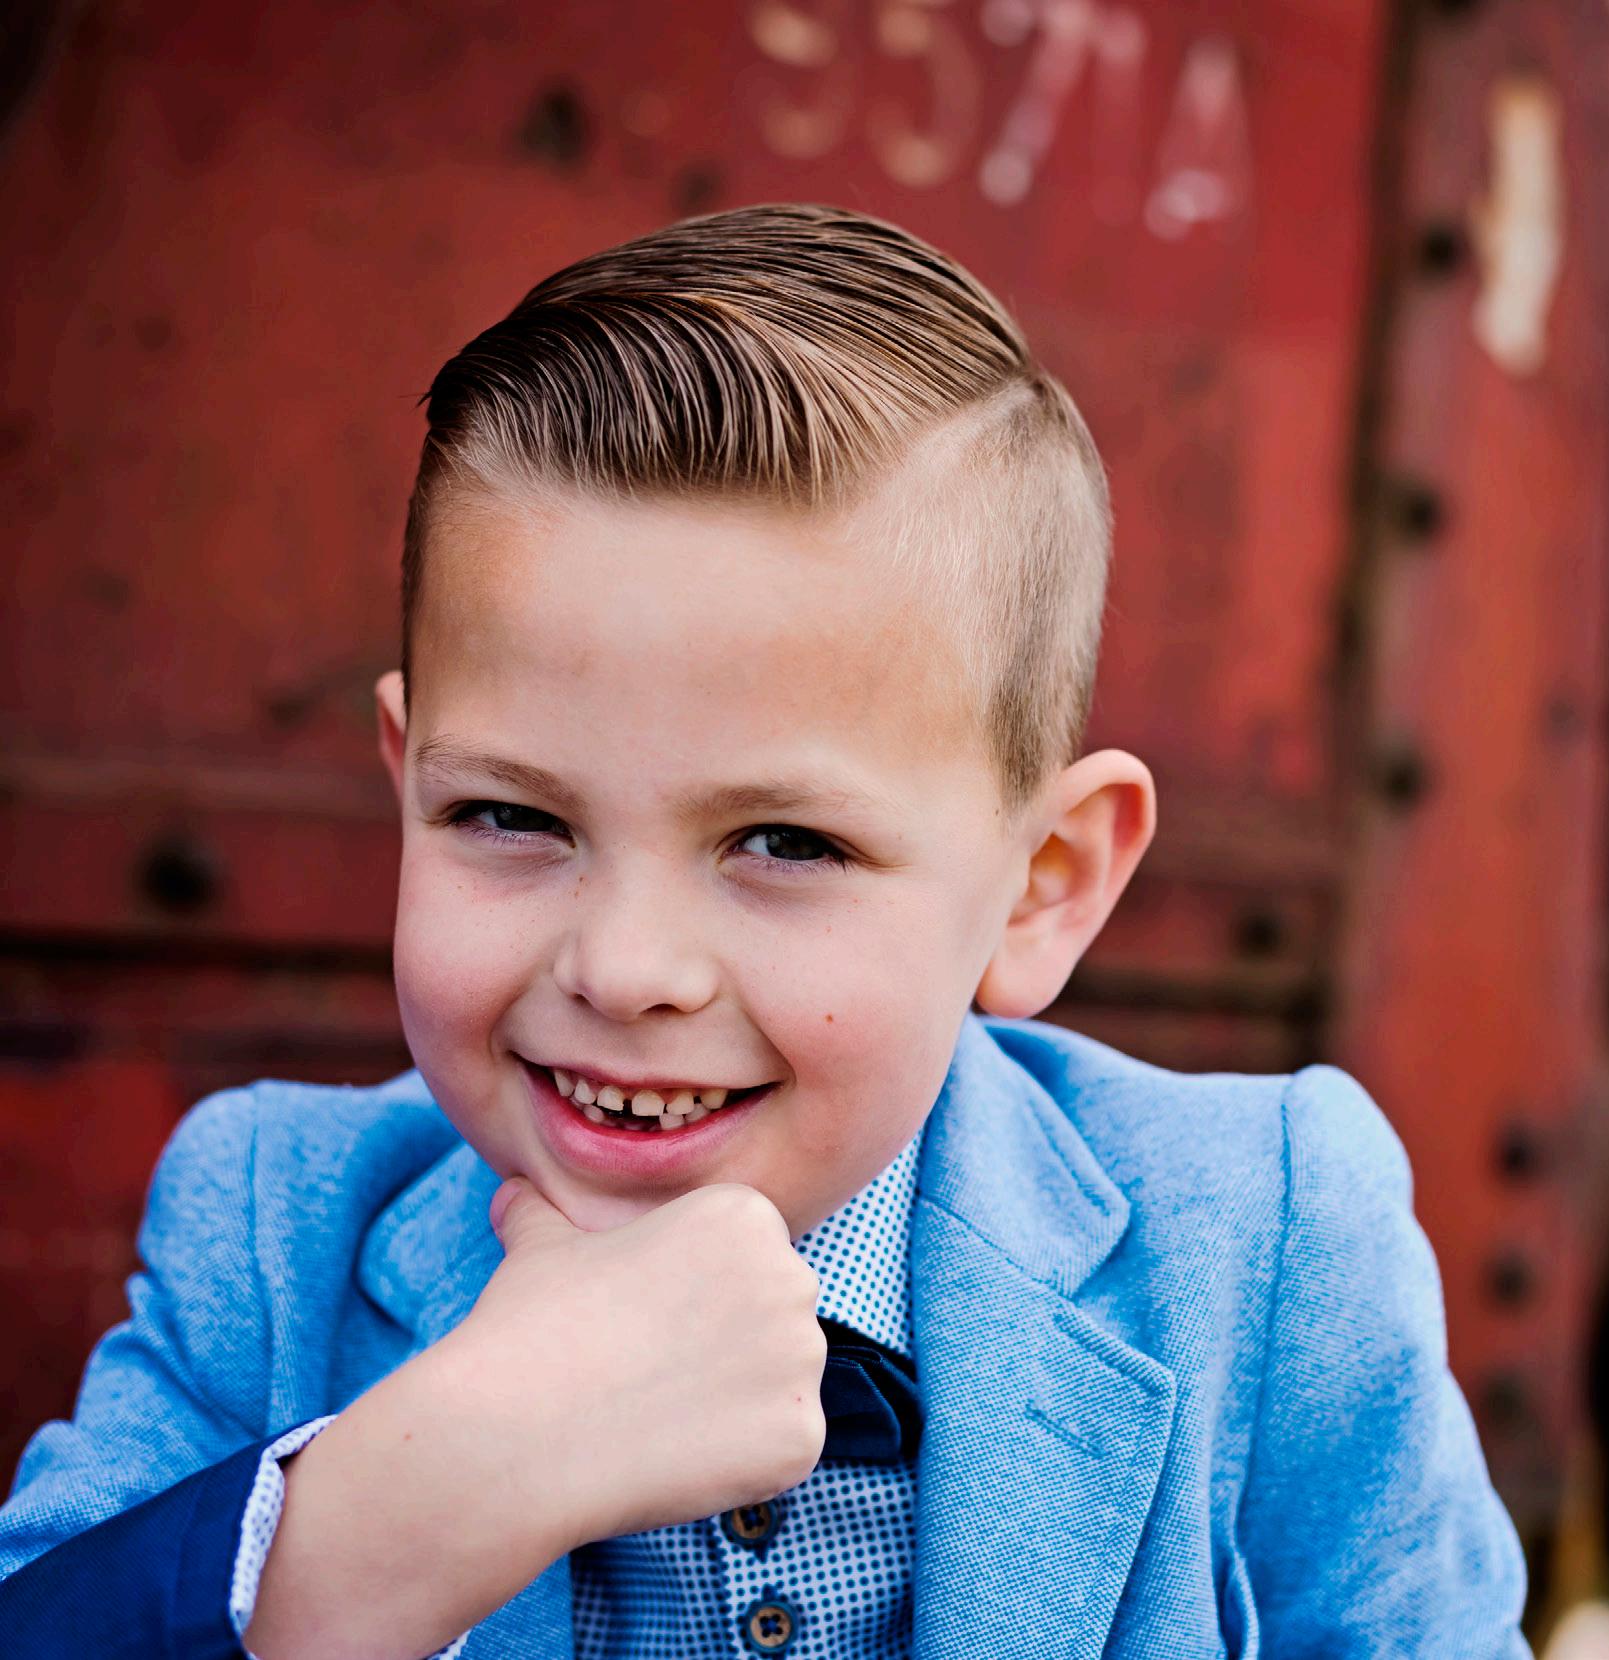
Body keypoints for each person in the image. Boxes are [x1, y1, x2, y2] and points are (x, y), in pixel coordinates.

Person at [0, 203, 1531, 1659]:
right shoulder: (272, 1233)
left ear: (1043, 884)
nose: (625, 971)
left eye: (786, 844)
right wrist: (443, 1479)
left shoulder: (1262, 1248)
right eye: (512, 818)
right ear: (408, 789)